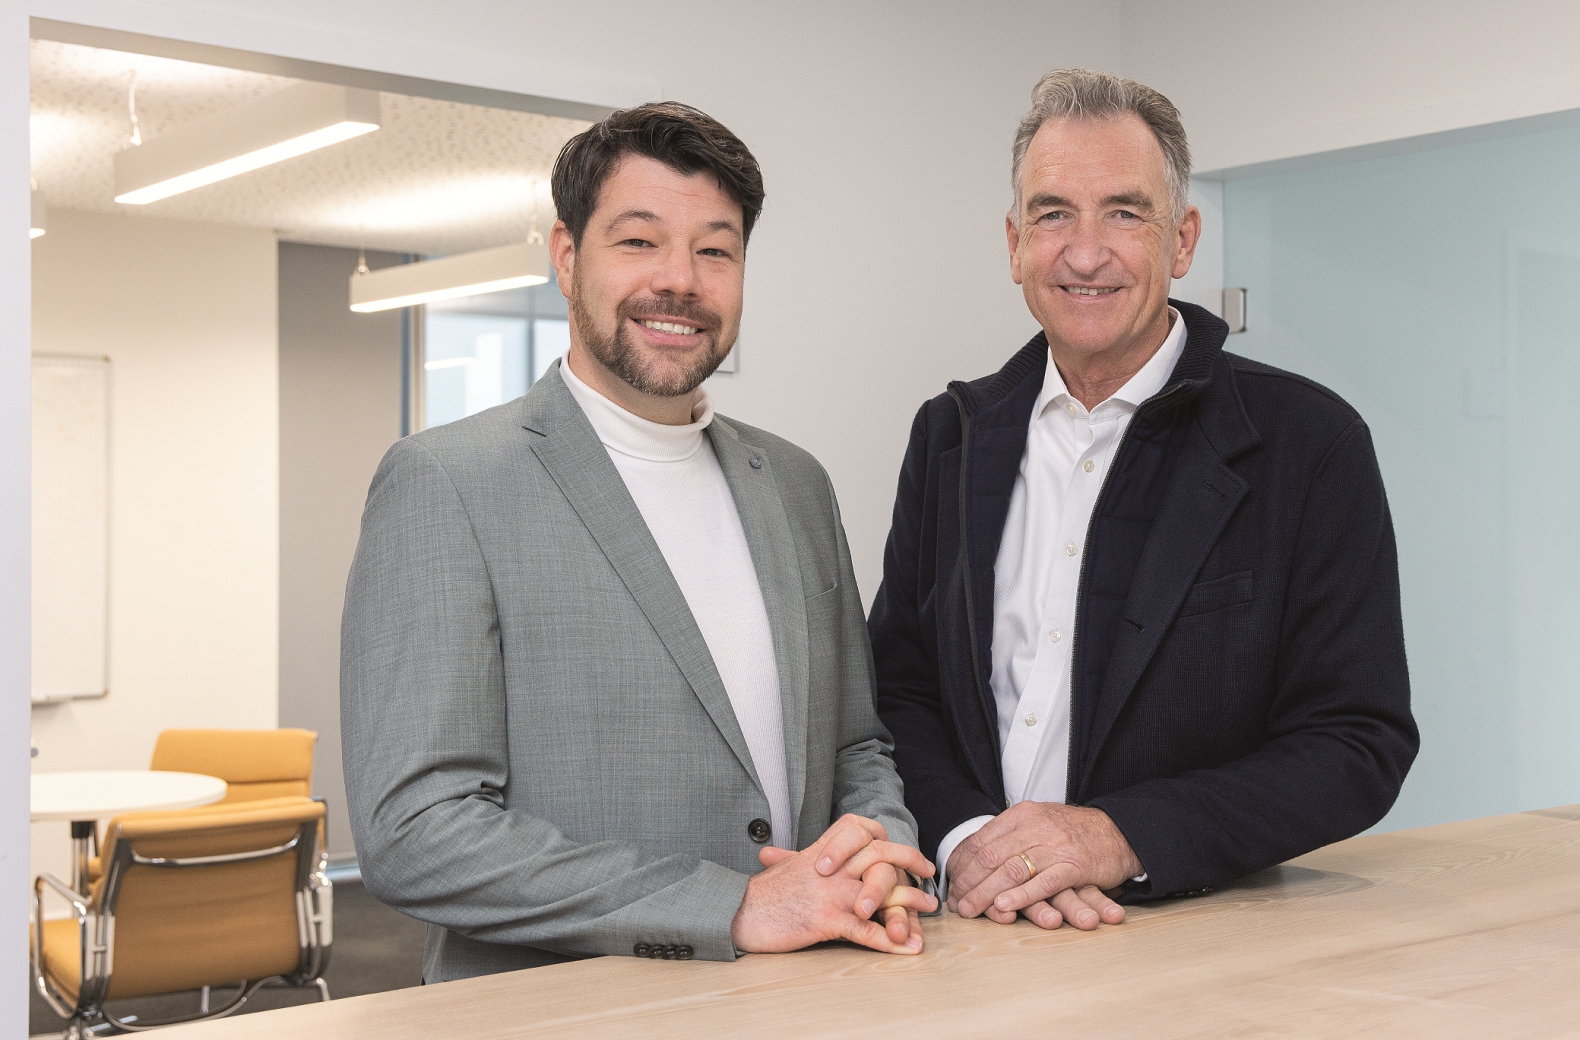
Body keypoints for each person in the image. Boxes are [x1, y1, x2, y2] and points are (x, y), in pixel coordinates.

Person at [341, 101, 934, 983]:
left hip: (805, 994)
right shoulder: (447, 483)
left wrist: (877, 845)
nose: (682, 281)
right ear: (567, 257)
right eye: (638, 242)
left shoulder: (797, 484)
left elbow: (856, 747)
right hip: (559, 1006)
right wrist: (726, 906)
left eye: (716, 250)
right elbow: (416, 831)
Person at [868, 69, 1418, 933]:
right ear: (1014, 243)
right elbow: (898, 694)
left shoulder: (1309, 444)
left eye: (1125, 212)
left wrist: (1121, 836)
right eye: (1053, 214)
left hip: (1192, 937)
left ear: (1184, 240)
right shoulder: (949, 436)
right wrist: (970, 842)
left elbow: (1355, 742)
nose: (1085, 252)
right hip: (970, 932)